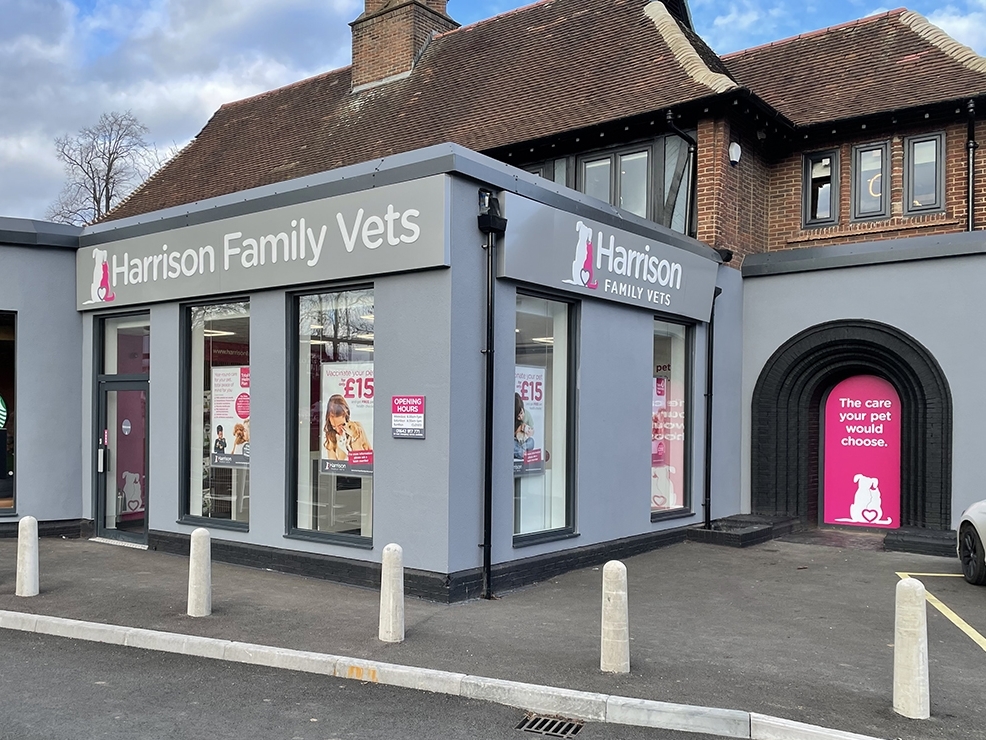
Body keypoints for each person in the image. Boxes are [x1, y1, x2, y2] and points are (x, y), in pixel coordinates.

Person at [324, 394, 371, 460]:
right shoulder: (331, 436)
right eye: (334, 426)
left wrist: (355, 437)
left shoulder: (357, 428)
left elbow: (368, 459)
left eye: (341, 425)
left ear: (346, 417)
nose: (338, 430)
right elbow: (331, 463)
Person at [514, 392, 535, 460]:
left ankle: (521, 451)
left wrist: (529, 431)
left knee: (531, 441)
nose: (521, 417)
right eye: (518, 416)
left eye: (521, 413)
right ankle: (521, 452)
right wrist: (519, 428)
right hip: (515, 441)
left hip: (524, 442)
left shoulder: (527, 414)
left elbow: (532, 431)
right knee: (512, 445)